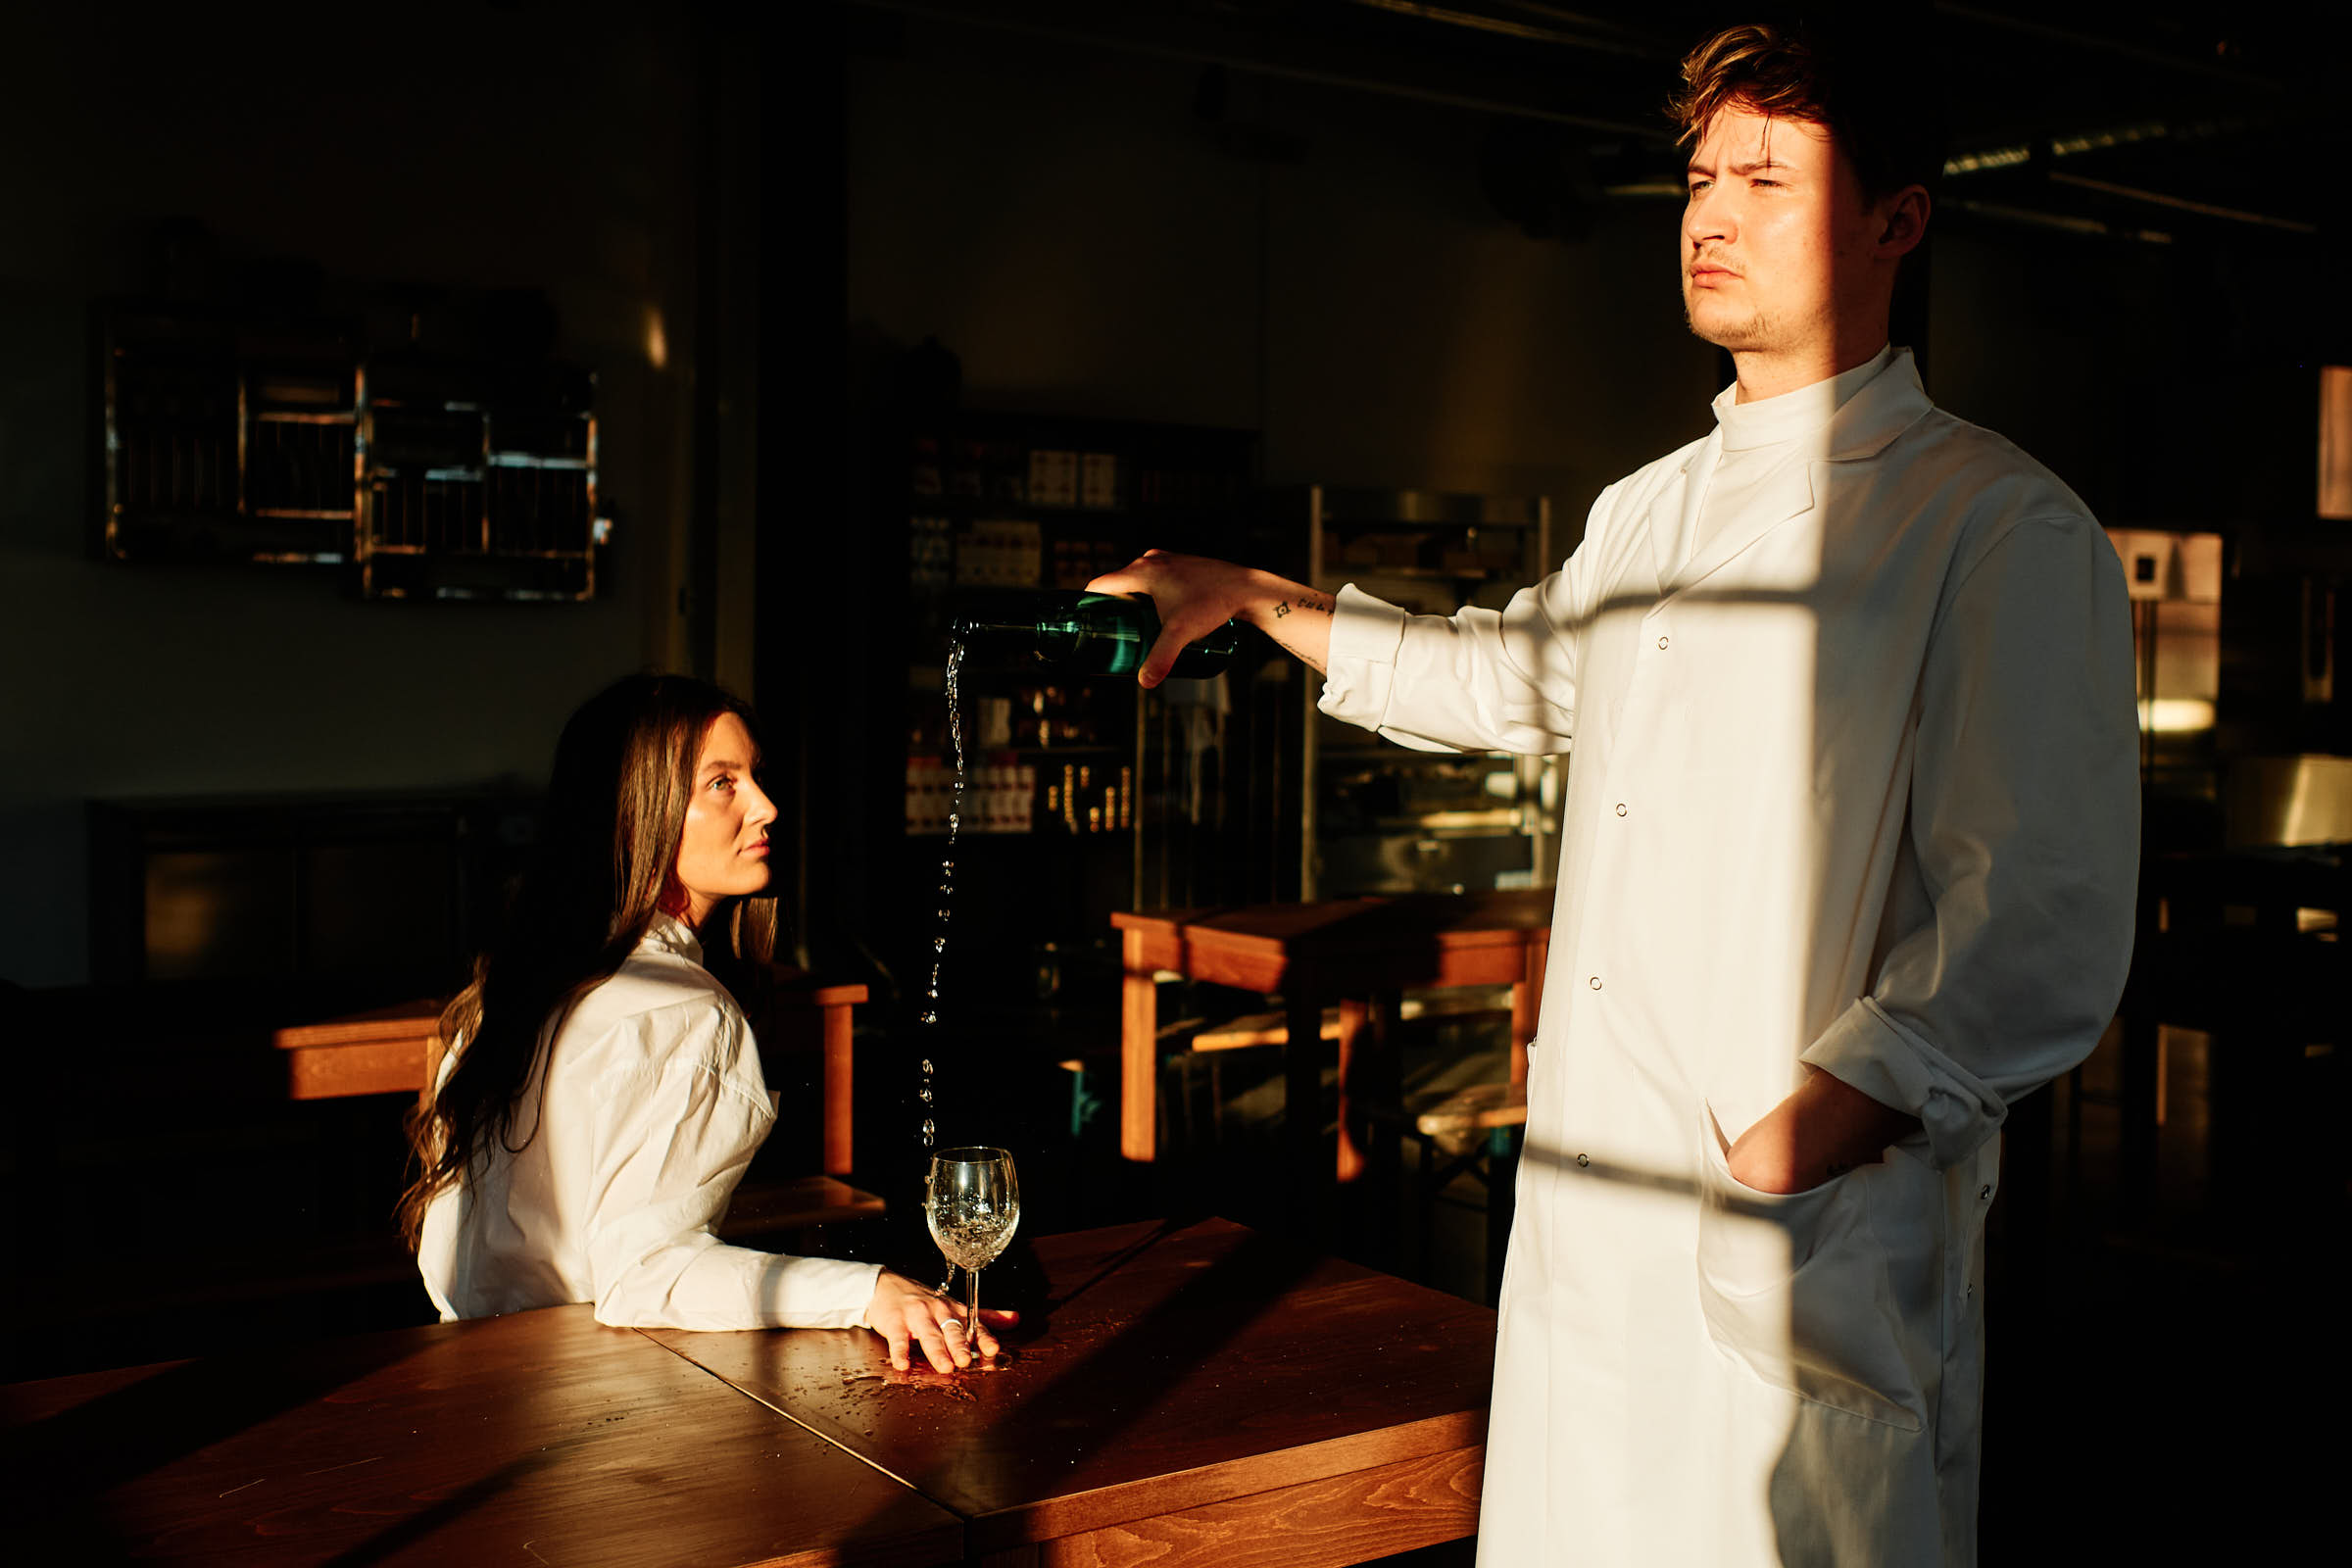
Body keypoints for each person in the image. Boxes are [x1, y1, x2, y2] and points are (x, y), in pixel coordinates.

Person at [1089, 18, 2136, 1566]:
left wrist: (1806, 1132)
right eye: (1699, 176)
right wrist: (1255, 597)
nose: (1710, 216)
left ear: (1897, 219)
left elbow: (2035, 922)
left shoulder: (1993, 525)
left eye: (1768, 179)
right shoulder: (1651, 508)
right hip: (1596, 1228)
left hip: (1788, 1230)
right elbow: (1506, 676)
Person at [399, 673, 1008, 1373]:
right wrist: (869, 1292)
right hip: (594, 1397)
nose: (767, 807)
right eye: (723, 783)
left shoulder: (508, 991)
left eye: (754, 776)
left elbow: (450, 1255)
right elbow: (645, 1275)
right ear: (636, 813)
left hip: (473, 1379)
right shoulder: (686, 1011)